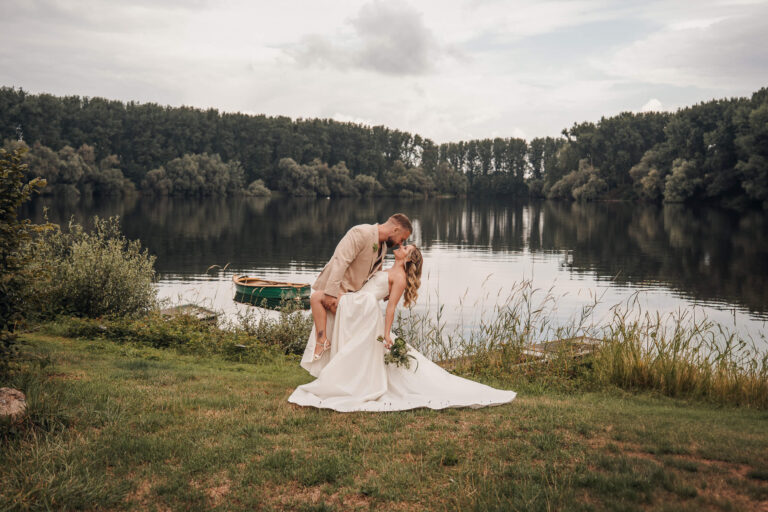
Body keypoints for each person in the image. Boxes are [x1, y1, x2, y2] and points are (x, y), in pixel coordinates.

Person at [289, 244, 517, 412]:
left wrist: (386, 333)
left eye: (405, 247)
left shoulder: (399, 277)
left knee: (318, 297)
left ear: (408, 258)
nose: (401, 246)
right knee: (320, 298)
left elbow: (391, 308)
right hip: (358, 303)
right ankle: (325, 345)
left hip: (364, 308)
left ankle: (324, 343)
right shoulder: (388, 268)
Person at [308, 214, 412, 362]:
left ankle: (334, 359)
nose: (400, 244)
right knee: (324, 313)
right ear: (395, 229)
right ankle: (326, 352)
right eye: (401, 239)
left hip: (355, 297)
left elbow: (374, 274)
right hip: (339, 289)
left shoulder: (382, 247)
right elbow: (340, 261)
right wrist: (331, 292)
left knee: (340, 334)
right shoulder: (361, 233)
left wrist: (386, 289)